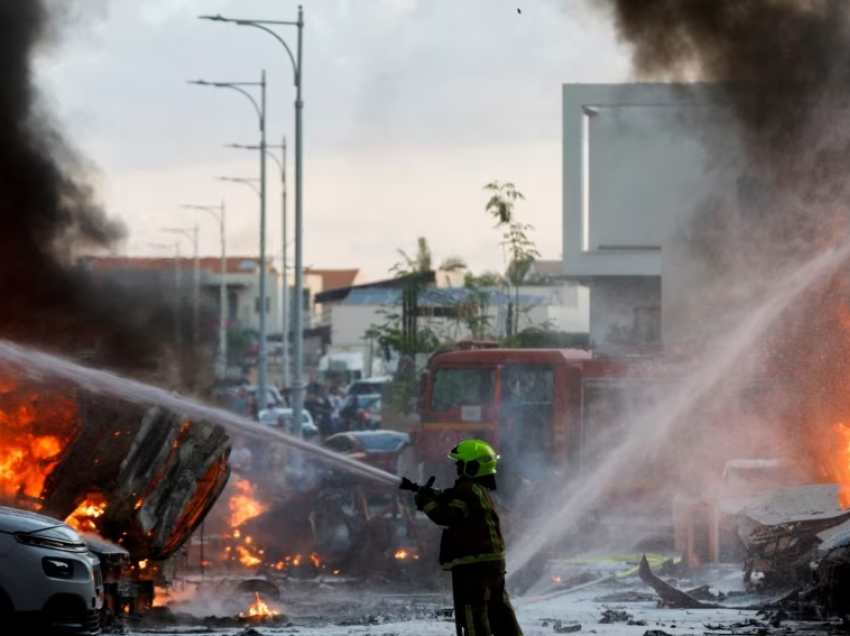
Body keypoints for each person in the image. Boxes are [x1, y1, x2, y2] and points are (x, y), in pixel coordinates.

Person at [412, 439, 523, 636]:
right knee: (499, 610)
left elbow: (447, 517)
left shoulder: (467, 490)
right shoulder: (479, 489)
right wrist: (432, 494)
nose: (456, 466)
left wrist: (426, 503)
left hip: (475, 565)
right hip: (493, 562)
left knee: (474, 614)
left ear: (472, 466)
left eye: (460, 463)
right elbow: (451, 497)